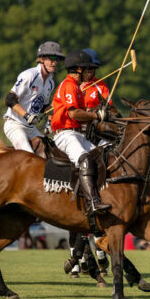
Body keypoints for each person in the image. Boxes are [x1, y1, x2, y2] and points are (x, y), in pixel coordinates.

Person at [51, 49, 111, 215]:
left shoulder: (76, 87)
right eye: (88, 69)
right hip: (65, 134)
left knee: (102, 156)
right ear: (79, 69)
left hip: (77, 134)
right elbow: (73, 113)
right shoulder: (69, 85)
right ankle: (92, 202)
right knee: (85, 159)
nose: (90, 72)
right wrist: (96, 115)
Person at [3, 41, 64, 153]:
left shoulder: (50, 82)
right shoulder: (29, 75)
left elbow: (44, 106)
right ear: (41, 59)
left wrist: (50, 122)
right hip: (14, 125)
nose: (54, 62)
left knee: (48, 154)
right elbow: (9, 99)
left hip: (31, 129)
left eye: (57, 59)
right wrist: (27, 116)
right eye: (51, 58)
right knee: (29, 156)